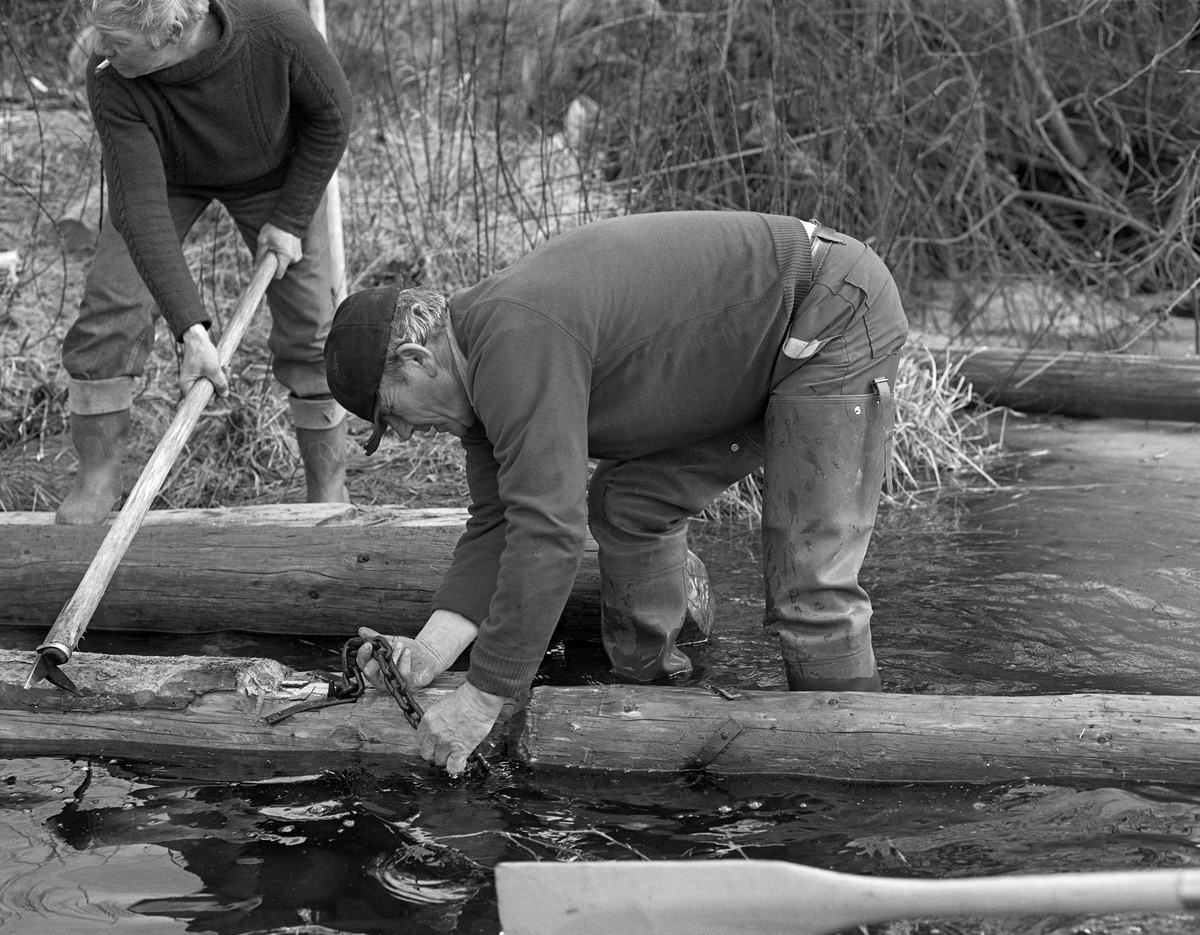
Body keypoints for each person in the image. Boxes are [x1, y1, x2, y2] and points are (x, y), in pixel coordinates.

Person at [324, 210, 908, 775]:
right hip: (752, 352)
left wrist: (483, 696)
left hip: (827, 313)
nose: (401, 433)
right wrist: (425, 656)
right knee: (626, 505)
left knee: (811, 583)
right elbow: (498, 528)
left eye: (391, 413)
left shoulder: (516, 335)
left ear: (417, 359)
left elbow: (549, 533)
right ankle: (654, 701)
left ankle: (858, 772)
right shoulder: (479, 385)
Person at [56, 0, 354, 524]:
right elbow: (140, 211)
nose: (99, 50)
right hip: (165, 181)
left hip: (276, 177)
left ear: (172, 33)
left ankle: (327, 486)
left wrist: (290, 218)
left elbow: (332, 117)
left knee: (312, 332)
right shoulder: (112, 75)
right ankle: (97, 479)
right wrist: (191, 330)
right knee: (109, 308)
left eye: (117, 40)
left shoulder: (277, 28)